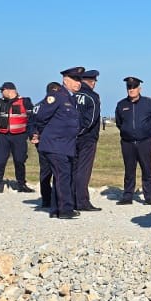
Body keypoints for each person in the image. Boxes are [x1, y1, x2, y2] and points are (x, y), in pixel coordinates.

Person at [31, 67, 83, 219]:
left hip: (66, 145)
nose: (78, 83)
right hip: (55, 144)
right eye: (75, 79)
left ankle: (55, 209)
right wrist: (44, 134)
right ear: (65, 80)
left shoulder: (70, 98)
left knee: (61, 176)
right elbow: (40, 116)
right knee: (63, 176)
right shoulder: (57, 96)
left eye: (79, 80)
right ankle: (65, 210)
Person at [115, 76, 151, 205]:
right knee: (129, 170)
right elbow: (119, 123)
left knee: (147, 169)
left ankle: (148, 197)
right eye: (129, 87)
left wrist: (150, 133)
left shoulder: (149, 103)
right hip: (128, 143)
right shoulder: (121, 105)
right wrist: (126, 131)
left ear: (139, 88)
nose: (131, 90)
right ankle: (127, 196)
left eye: (134, 87)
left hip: (145, 142)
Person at [0, 82, 34, 193]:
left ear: (9, 90)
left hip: (20, 136)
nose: (1, 93)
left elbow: (32, 119)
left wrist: (31, 135)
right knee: (0, 161)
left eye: (2, 90)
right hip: (3, 136)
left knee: (19, 160)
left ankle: (21, 185)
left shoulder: (25, 101)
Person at [73, 69, 103, 211]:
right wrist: (81, 132)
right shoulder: (92, 96)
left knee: (72, 168)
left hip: (71, 137)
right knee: (83, 170)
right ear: (92, 82)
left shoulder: (72, 95)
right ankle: (82, 201)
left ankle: (71, 199)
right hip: (87, 138)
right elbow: (91, 120)